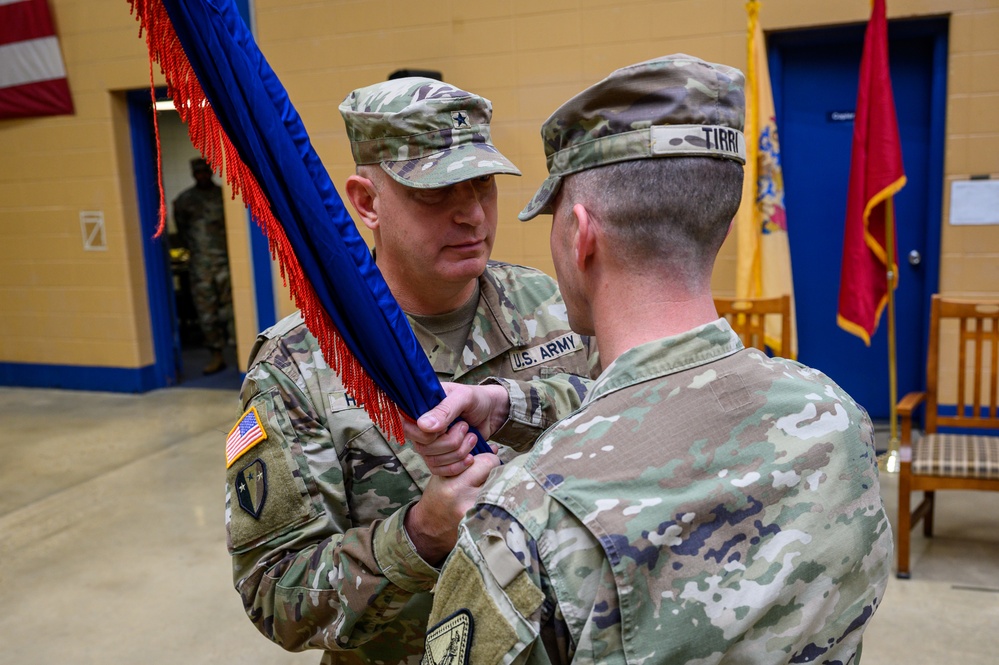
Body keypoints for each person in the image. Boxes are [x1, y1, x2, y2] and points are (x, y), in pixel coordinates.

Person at [417, 55, 894, 665]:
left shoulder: (526, 522)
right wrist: (507, 401)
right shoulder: (839, 418)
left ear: (581, 234)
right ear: (716, 223)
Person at [224, 77, 599, 665]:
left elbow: (616, 420)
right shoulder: (302, 364)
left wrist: (514, 407)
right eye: (437, 193)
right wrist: (419, 534)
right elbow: (275, 594)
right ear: (367, 202)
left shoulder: (548, 305)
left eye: (482, 186)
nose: (472, 214)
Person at [173, 157, 233, 375]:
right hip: (200, 268)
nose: (202, 176)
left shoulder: (223, 197)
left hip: (226, 264)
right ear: (193, 174)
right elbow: (182, 233)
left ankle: (240, 354)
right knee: (207, 314)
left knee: (231, 312)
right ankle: (216, 355)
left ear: (210, 171)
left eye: (204, 171)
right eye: (197, 172)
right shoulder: (184, 201)